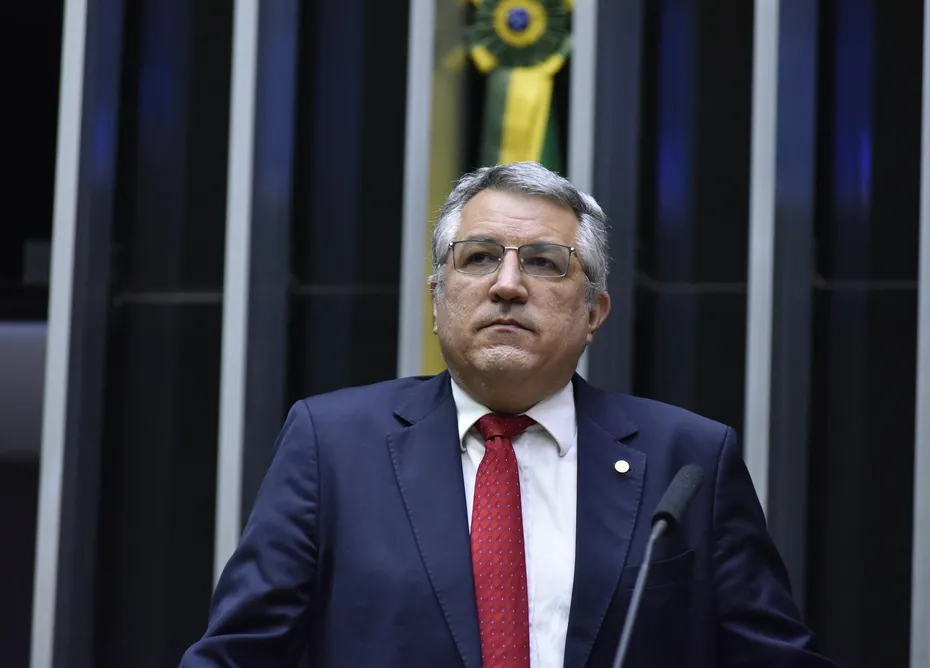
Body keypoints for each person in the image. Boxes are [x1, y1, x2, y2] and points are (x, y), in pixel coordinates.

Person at [180, 162, 836, 667]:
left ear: (594, 312)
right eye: (479, 257)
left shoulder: (687, 459)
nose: (508, 285)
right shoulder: (333, 445)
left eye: (545, 263)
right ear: (437, 301)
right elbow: (239, 655)